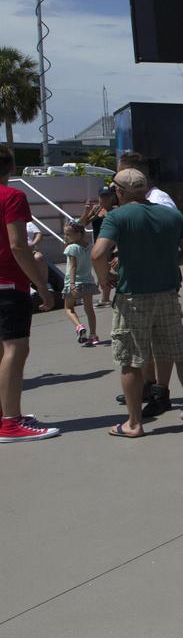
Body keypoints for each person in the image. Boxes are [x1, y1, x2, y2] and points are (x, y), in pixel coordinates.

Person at [92, 168, 183, 438]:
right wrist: (167, 263)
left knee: (131, 361)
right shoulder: (171, 215)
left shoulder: (117, 216)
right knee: (181, 354)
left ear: (119, 191)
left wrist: (105, 277)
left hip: (133, 297)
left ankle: (134, 423)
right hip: (167, 294)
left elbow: (98, 253)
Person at [0, 144, 58, 443]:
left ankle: (5, 415)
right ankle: (10, 423)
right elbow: (18, 245)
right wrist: (41, 286)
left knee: (3, 351)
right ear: (11, 167)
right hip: (9, 284)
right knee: (15, 349)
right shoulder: (12, 197)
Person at [61, 221, 100, 346]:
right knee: (89, 309)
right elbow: (95, 263)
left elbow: (73, 267)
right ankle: (93, 335)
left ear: (78, 234)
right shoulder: (90, 247)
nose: (66, 237)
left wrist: (72, 284)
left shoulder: (71, 248)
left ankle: (79, 326)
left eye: (68, 234)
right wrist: (99, 279)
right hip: (88, 282)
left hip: (74, 282)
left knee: (68, 308)